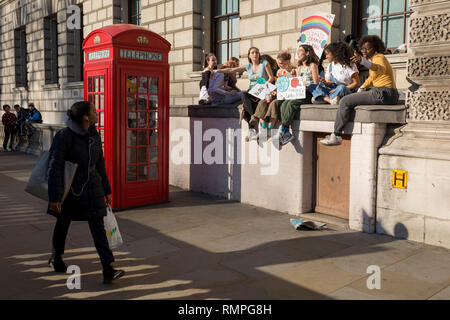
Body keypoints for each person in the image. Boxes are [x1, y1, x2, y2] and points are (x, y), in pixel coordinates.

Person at [47, 100, 125, 284]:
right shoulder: (64, 136)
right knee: (62, 224)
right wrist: (54, 197)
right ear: (86, 117)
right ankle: (56, 258)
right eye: (94, 112)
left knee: (98, 227)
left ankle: (108, 268)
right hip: (69, 189)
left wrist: (107, 190)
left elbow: (100, 164)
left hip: (93, 186)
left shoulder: (94, 134)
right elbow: (55, 166)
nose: (97, 114)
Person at [320, 35, 398, 146]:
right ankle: (336, 134)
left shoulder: (379, 58)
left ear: (375, 48)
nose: (364, 51)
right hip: (386, 94)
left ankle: (336, 135)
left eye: (367, 48)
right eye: (362, 49)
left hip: (383, 93)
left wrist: (362, 61)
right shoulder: (373, 59)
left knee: (344, 101)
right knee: (349, 99)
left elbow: (379, 68)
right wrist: (362, 88)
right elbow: (372, 78)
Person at [218, 47, 275, 141]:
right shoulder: (248, 66)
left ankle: (252, 129)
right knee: (244, 95)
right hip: (252, 92)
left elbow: (271, 78)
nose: (255, 54)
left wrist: (264, 86)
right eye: (252, 53)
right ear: (249, 56)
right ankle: (253, 118)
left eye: (257, 52)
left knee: (247, 105)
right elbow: (231, 70)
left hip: (263, 90)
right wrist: (217, 71)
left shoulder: (264, 63)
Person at [276, 44, 320, 146]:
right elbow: (296, 83)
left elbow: (316, 84)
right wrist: (293, 78)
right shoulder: (299, 68)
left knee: (291, 104)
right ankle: (286, 131)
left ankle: (283, 129)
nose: (298, 53)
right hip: (299, 93)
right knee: (284, 104)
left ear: (307, 53)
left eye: (300, 51)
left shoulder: (312, 65)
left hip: (308, 93)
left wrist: (305, 87)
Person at [254, 50, 296, 140]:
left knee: (274, 104)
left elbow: (296, 85)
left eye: (281, 63)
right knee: (263, 102)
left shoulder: (294, 70)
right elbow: (278, 84)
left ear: (287, 61)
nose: (279, 65)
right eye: (278, 63)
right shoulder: (279, 72)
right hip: (279, 94)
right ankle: (263, 129)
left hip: (288, 96)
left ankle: (269, 130)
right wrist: (273, 91)